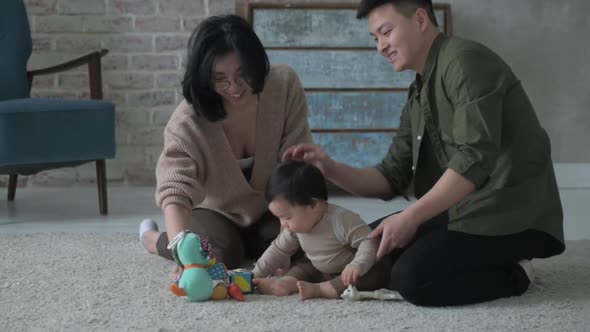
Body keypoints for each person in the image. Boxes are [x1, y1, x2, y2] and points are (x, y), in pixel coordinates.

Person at [283, 0, 565, 306]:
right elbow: (391, 176)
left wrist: (412, 217)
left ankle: (516, 273)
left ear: (419, 19)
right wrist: (329, 167)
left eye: (386, 32)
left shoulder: (465, 61)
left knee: (413, 278)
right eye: (375, 39)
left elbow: (475, 157)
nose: (380, 47)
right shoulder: (417, 91)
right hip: (462, 210)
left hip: (511, 213)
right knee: (362, 246)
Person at [139, 14, 312, 271]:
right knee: (212, 254)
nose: (234, 87)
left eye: (244, 74)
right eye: (220, 78)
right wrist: (182, 251)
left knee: (307, 243)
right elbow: (174, 191)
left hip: (271, 206)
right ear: (204, 77)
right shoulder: (187, 120)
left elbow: (296, 164)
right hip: (215, 211)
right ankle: (152, 239)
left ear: (257, 64)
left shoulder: (284, 85)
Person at [251, 160, 389, 300]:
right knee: (302, 267)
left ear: (313, 205)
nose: (283, 224)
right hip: (319, 269)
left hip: (347, 271)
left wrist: (357, 265)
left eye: (287, 217)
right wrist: (255, 274)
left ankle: (320, 289)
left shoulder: (341, 220)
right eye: (279, 218)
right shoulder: (295, 228)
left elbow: (369, 241)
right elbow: (277, 250)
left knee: (373, 274)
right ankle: (287, 282)